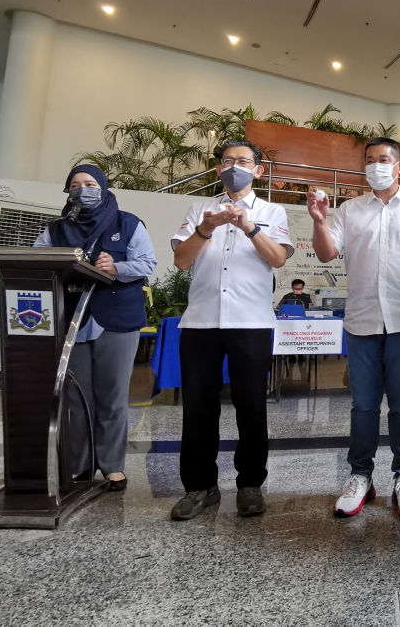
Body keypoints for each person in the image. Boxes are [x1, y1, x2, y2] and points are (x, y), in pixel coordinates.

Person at [308, 137, 400, 520]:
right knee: (364, 405)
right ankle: (361, 477)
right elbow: (325, 253)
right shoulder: (349, 211)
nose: (376, 165)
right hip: (361, 319)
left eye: (383, 159)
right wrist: (320, 221)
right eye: (369, 160)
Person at [170, 139, 294, 521]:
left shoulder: (273, 211)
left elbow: (277, 258)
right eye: (226, 161)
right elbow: (180, 260)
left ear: (258, 170)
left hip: (251, 322)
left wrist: (251, 228)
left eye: (242, 161)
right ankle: (199, 486)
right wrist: (205, 229)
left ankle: (250, 484)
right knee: (198, 406)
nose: (233, 167)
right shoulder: (198, 209)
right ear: (218, 169)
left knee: (252, 406)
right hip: (201, 322)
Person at [35, 165, 157, 491]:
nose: (82, 189)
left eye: (89, 184)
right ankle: (81, 465)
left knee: (112, 397)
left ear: (103, 188)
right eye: (74, 185)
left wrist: (117, 266)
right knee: (77, 399)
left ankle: (112, 466)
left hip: (116, 319)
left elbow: (147, 263)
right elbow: (35, 262)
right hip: (72, 318)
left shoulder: (126, 222)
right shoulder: (57, 228)